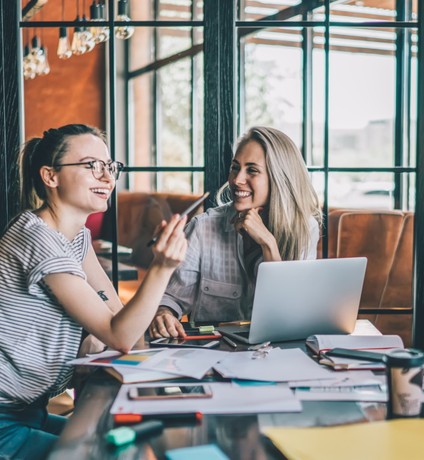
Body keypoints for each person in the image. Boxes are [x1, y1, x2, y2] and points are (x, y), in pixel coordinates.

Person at [0, 124, 187, 460]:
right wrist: (162, 268)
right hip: (4, 422)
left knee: (125, 442)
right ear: (51, 176)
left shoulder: (75, 235)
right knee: (115, 454)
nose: (107, 177)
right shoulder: (39, 240)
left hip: (28, 409)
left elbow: (117, 316)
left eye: (110, 166)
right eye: (91, 166)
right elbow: (120, 335)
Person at [149, 126, 322, 338]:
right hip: (214, 354)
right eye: (235, 168)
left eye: (252, 170)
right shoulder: (203, 227)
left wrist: (268, 244)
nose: (237, 179)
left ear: (280, 178)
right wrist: (163, 312)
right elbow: (171, 298)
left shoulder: (304, 228)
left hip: (279, 353)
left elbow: (289, 313)